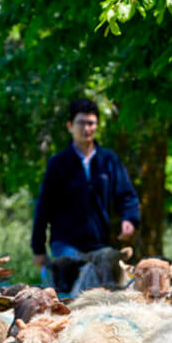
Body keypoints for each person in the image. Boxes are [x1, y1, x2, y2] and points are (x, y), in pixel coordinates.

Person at [32, 98, 140, 272]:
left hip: (99, 245)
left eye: (91, 123)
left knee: (105, 289)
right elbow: (43, 207)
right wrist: (38, 249)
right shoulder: (58, 164)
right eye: (81, 123)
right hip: (65, 245)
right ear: (70, 126)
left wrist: (130, 218)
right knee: (71, 291)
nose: (86, 128)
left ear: (97, 126)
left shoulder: (109, 160)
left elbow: (127, 196)